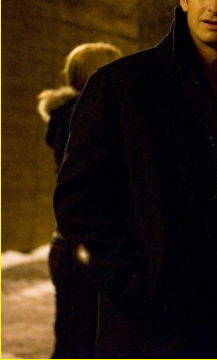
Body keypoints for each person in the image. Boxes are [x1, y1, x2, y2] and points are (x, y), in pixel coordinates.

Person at [53, 0, 217, 358]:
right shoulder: (123, 86)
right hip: (150, 336)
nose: (215, 7)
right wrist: (139, 288)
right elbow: (77, 203)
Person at [37, 42, 123, 359]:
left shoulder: (71, 117)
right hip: (83, 249)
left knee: (76, 338)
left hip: (72, 246)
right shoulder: (84, 118)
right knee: (79, 343)